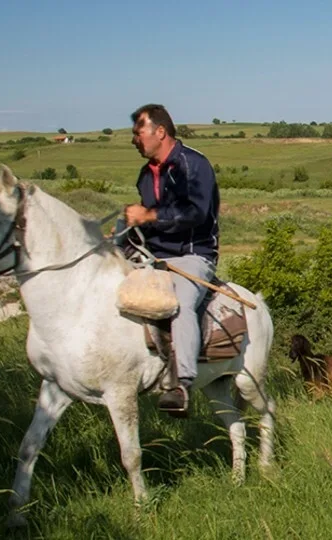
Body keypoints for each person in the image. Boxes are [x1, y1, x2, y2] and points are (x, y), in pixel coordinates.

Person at [124, 103, 220, 414]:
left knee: (179, 302)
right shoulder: (145, 174)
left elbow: (195, 213)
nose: (134, 140)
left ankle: (182, 383)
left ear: (160, 132)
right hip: (155, 255)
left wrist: (148, 215)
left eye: (138, 133)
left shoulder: (193, 165)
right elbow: (149, 222)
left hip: (193, 254)